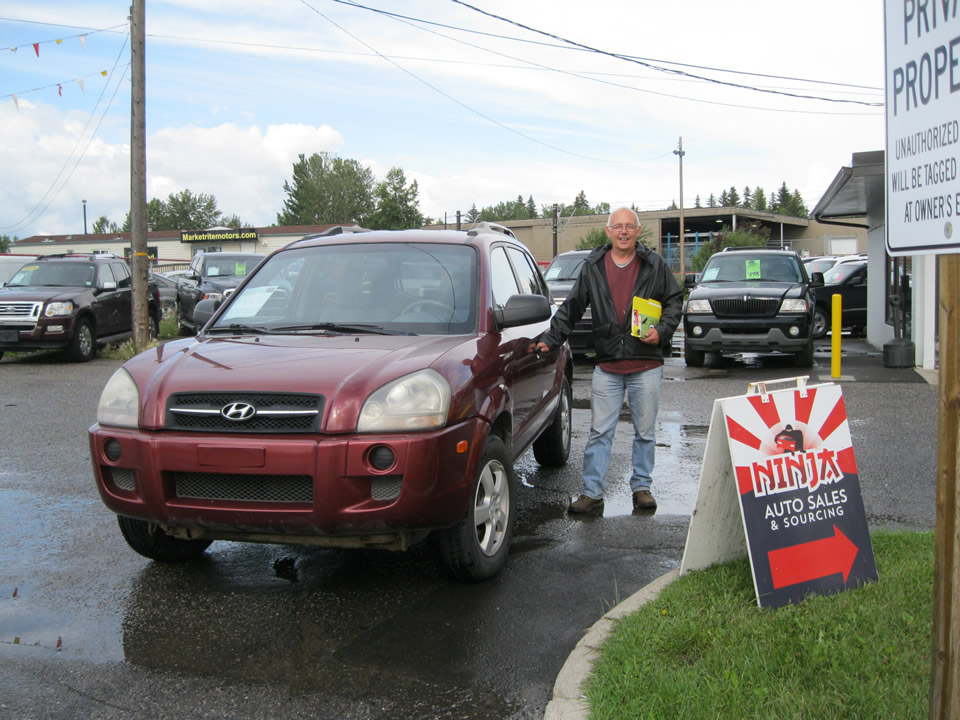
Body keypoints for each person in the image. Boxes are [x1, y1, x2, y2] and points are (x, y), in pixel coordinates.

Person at [532, 207, 683, 513]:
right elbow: (572, 308)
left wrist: (662, 332)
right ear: (609, 231)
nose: (624, 231)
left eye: (629, 226)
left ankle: (642, 488)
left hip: (646, 364)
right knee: (600, 432)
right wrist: (550, 340)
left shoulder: (653, 264)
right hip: (608, 364)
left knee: (645, 432)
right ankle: (592, 493)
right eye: (618, 226)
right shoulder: (593, 266)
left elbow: (674, 301)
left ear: (638, 231)